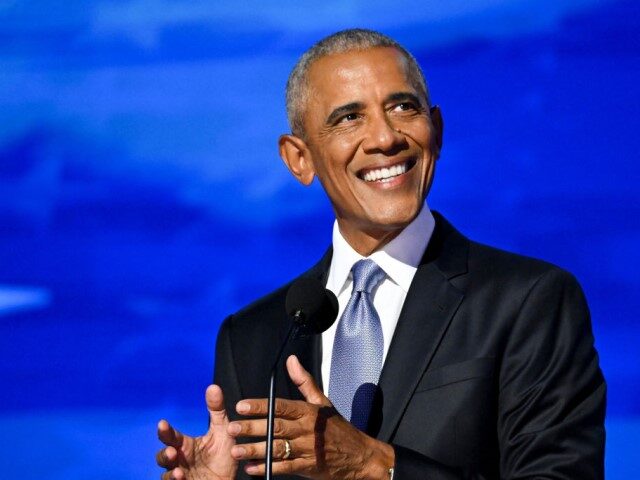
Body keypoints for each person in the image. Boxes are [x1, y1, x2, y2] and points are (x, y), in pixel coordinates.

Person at [156, 29, 605, 479]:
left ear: (437, 130)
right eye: (349, 118)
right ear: (299, 159)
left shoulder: (529, 301)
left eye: (403, 107)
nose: (385, 137)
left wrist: (377, 465)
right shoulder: (252, 339)